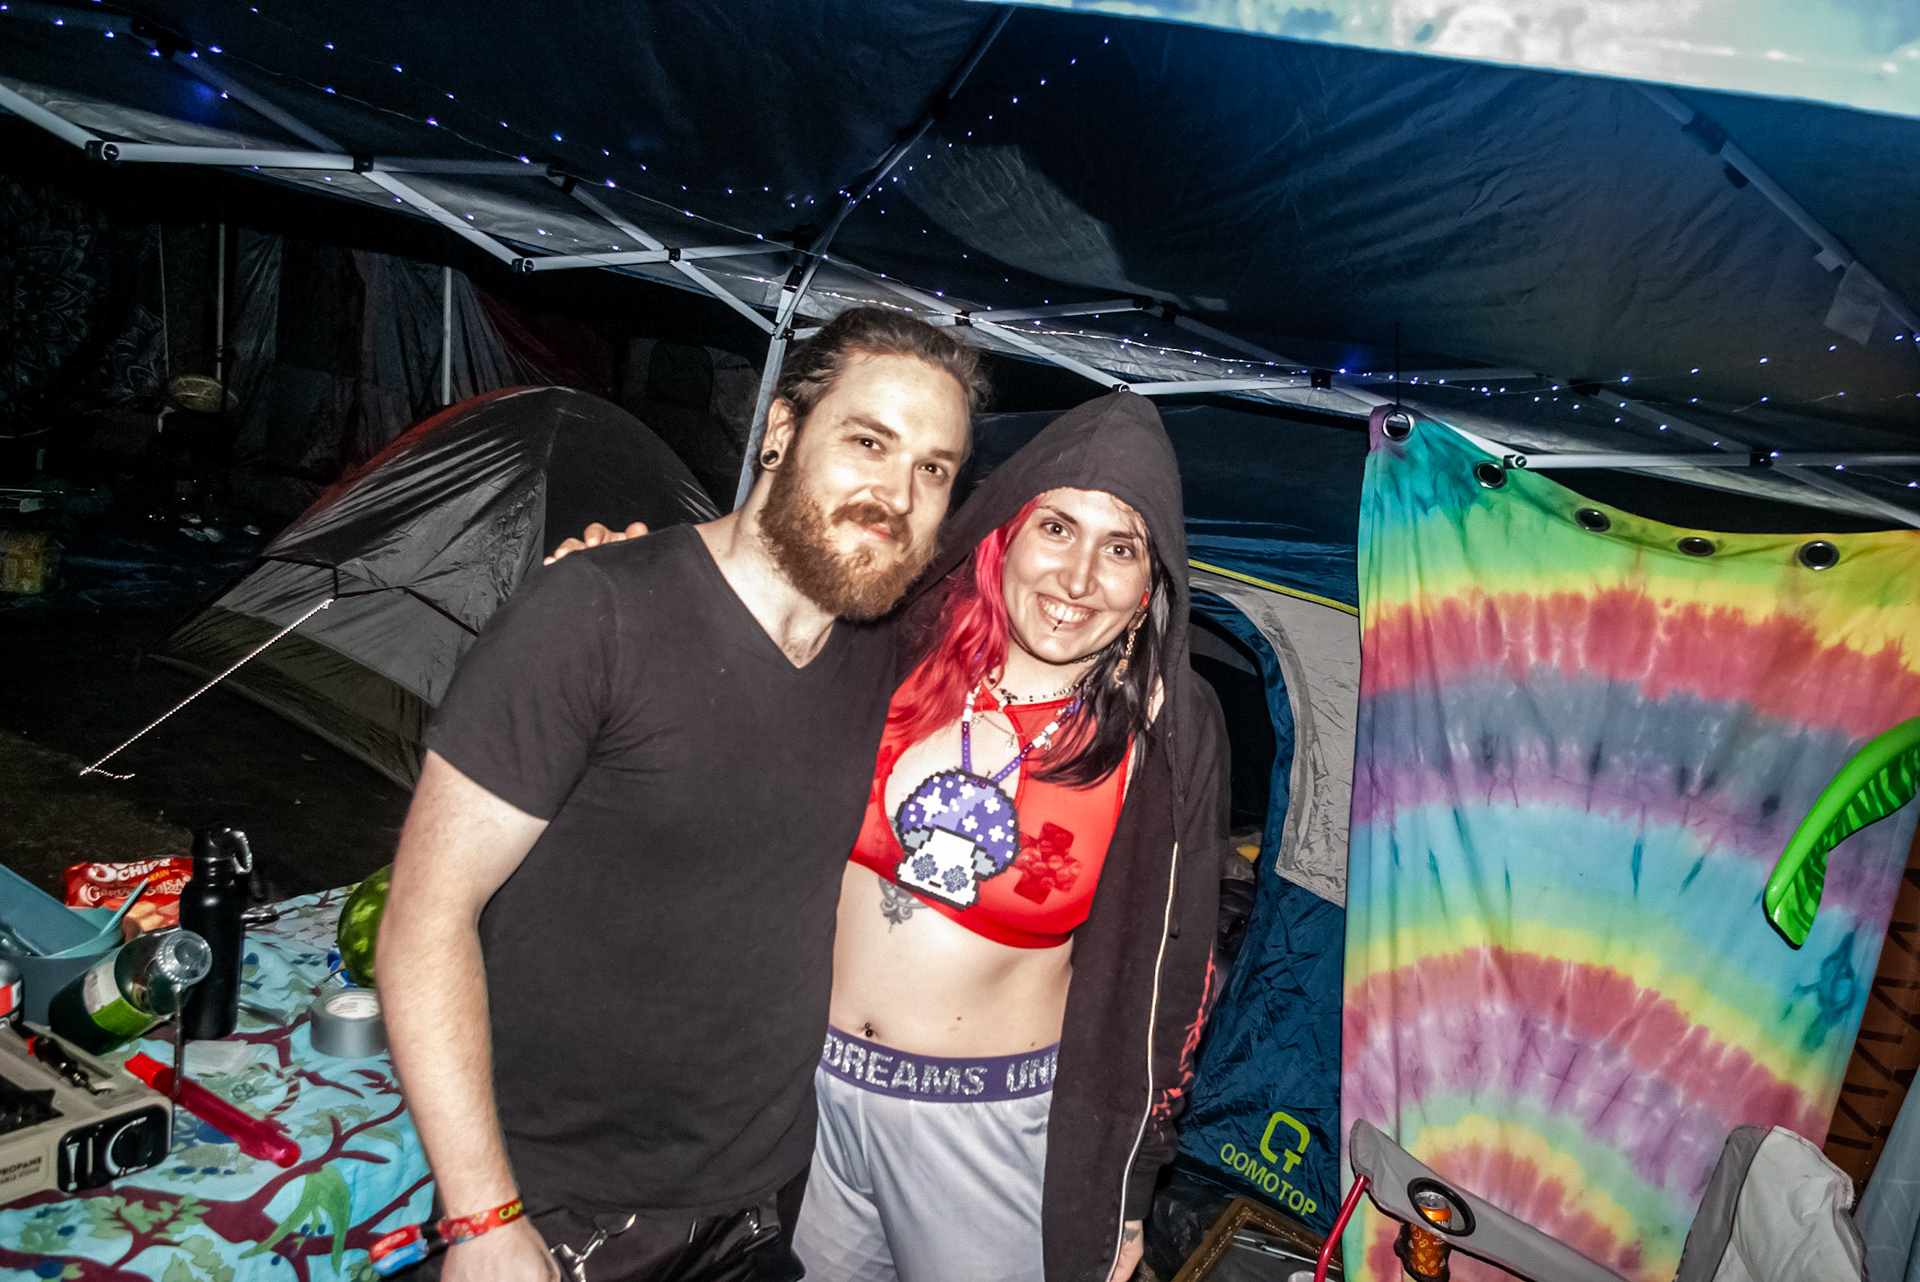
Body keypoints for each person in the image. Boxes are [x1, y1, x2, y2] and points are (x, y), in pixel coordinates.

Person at [377, 306, 984, 1282]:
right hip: (563, 1204)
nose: (897, 495)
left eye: (934, 469)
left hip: (763, 1202)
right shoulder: (594, 613)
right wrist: (482, 1216)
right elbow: (424, 917)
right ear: (780, 430)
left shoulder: (888, 660)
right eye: (868, 442)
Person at [563, 394, 1228, 1282]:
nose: (1077, 578)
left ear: (1150, 586)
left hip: (985, 1131)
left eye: (1121, 549)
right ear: (1004, 536)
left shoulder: (1161, 728)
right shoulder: (896, 646)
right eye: (1057, 528)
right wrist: (625, 592)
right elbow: (729, 677)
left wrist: (1130, 1184)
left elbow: (1173, 973)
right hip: (805, 1096)